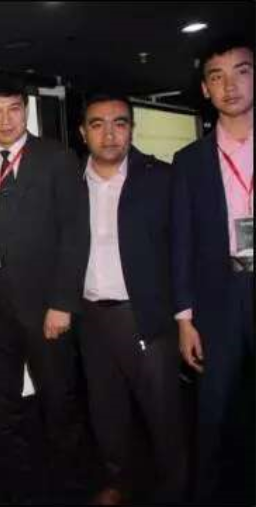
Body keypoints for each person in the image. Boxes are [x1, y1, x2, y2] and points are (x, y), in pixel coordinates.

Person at [0, 73, 88, 501]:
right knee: (4, 401)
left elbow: (75, 235)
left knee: (57, 398)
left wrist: (63, 302)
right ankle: (18, 482)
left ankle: (68, 483)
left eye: (14, 109)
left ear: (26, 111)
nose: (5, 119)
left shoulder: (57, 159)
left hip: (44, 304)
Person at [76, 94, 187, 505]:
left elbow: (183, 251)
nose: (109, 134)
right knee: (105, 410)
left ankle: (174, 487)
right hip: (90, 317)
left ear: (132, 129)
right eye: (98, 124)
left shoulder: (161, 178)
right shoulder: (69, 182)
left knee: (163, 413)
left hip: (144, 316)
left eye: (119, 123)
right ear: (82, 132)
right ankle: (117, 480)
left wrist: (185, 316)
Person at [172, 37, 254, 503]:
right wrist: (184, 319)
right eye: (217, 77)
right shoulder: (189, 161)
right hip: (216, 299)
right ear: (205, 89)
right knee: (213, 413)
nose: (230, 86)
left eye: (241, 71)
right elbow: (181, 242)